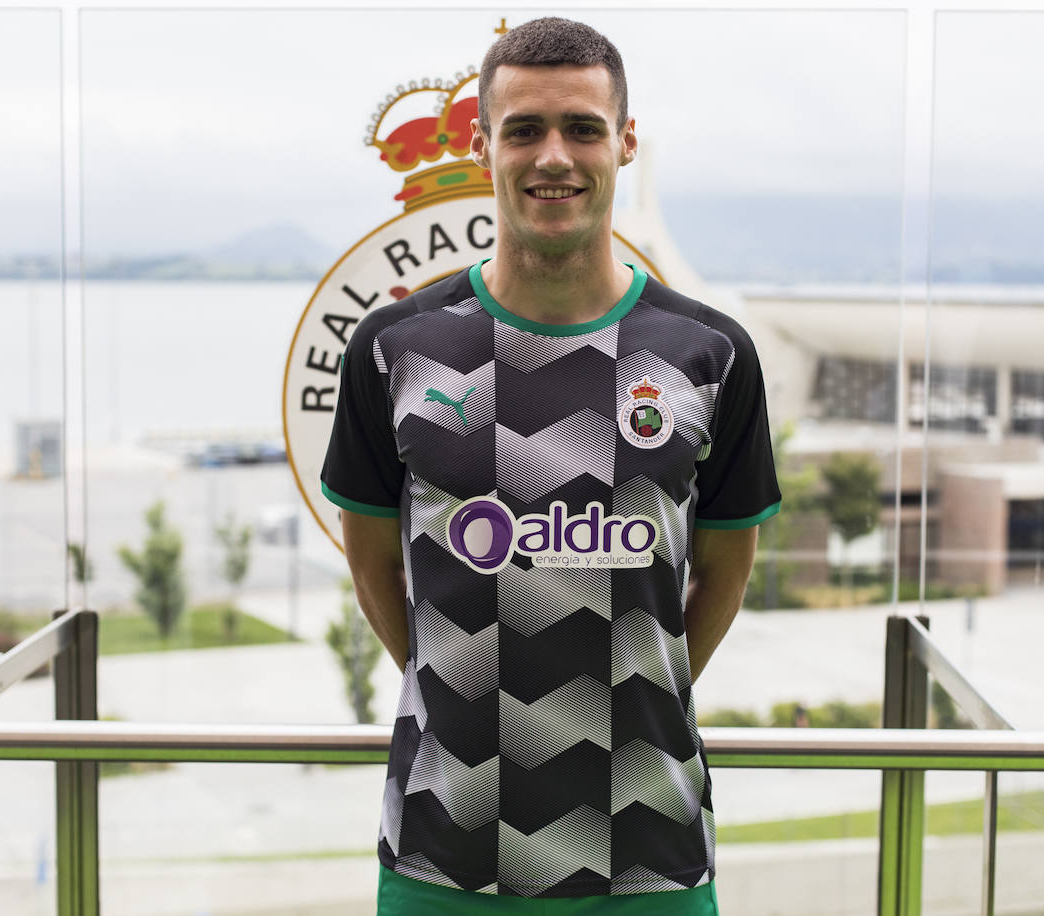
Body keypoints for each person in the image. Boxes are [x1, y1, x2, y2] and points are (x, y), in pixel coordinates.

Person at [321, 16, 780, 912]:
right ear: (483, 142)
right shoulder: (395, 348)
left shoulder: (710, 355)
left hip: (651, 853)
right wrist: (457, 692)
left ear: (626, 143)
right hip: (441, 851)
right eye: (525, 129)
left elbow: (724, 573)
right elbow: (373, 560)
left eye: (583, 128)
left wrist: (632, 693)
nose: (554, 157)